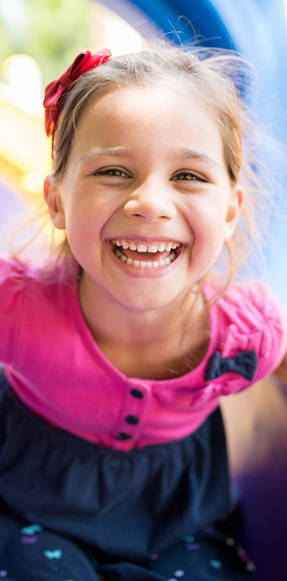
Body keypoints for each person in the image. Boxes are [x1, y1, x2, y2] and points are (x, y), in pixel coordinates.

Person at [0, 44, 286, 581]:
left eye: (188, 176)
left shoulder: (247, 336)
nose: (150, 202)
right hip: (29, 509)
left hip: (181, 525)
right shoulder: (16, 306)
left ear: (229, 211)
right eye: (113, 170)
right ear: (57, 200)